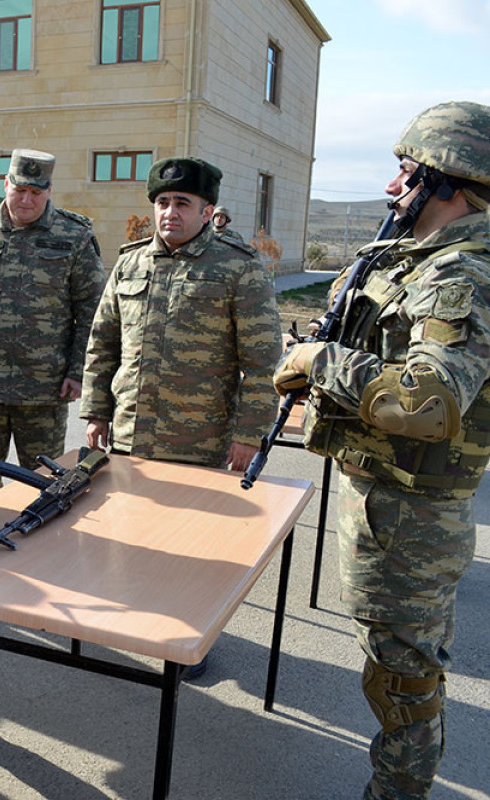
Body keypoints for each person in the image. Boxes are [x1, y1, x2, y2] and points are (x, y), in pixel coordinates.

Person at [273, 100, 490, 800]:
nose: (392, 186)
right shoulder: (417, 259)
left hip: (412, 519)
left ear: (447, 183)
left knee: (403, 678)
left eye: (406, 171)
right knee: (394, 666)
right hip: (388, 505)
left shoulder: (463, 276)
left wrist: (318, 361)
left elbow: (427, 404)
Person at [81, 157, 282, 679]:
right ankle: (134, 621)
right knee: (129, 537)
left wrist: (248, 436)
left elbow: (262, 362)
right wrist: (97, 410)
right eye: (163, 202)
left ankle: (187, 638)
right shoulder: (129, 264)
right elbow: (103, 344)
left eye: (183, 203)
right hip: (129, 434)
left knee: (190, 551)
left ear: (207, 210)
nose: (170, 212)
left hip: (199, 440)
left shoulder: (238, 268)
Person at [0, 149, 105, 501]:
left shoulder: (73, 237)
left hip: (43, 390)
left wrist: (77, 370)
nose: (26, 200)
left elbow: (91, 309)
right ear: (6, 185)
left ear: (49, 191)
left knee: (44, 487)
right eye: (19, 190)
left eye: (36, 193)